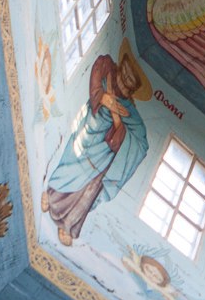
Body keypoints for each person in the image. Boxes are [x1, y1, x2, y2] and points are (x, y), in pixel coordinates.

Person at [41, 43, 150, 246]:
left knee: (88, 190)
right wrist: (102, 96)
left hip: (102, 158)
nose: (124, 82)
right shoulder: (107, 74)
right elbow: (99, 65)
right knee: (70, 164)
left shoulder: (130, 111)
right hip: (86, 136)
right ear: (120, 68)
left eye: (128, 83)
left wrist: (117, 118)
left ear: (132, 90)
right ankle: (50, 192)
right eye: (124, 76)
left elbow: (140, 144)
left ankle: (68, 226)